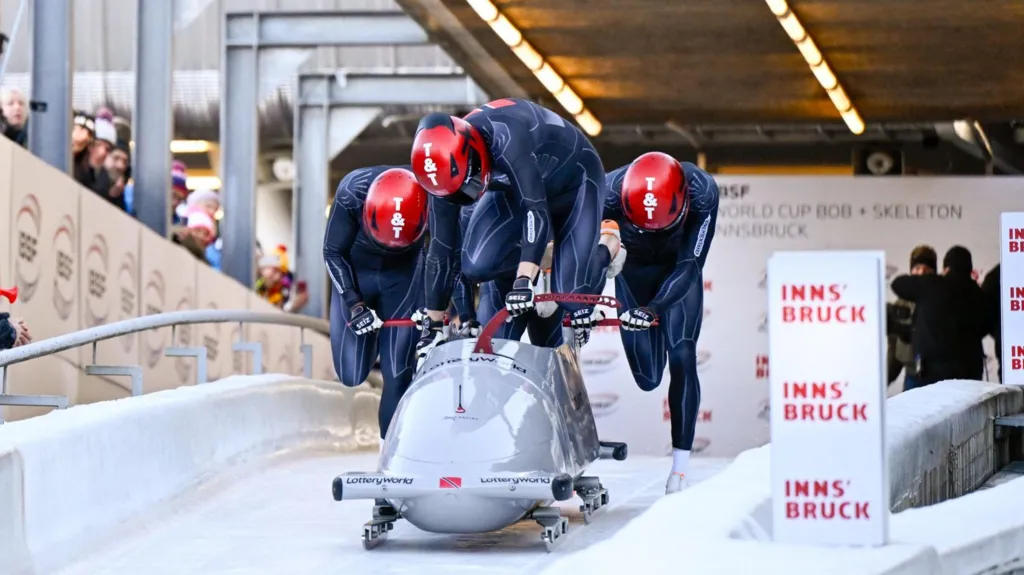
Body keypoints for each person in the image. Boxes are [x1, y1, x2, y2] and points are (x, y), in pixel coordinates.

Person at [409, 99, 624, 361]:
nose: (466, 195)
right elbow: (441, 250)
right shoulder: (439, 178)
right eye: (455, 194)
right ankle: (542, 261)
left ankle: (607, 243)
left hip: (574, 180)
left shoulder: (506, 136)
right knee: (475, 264)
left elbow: (536, 210)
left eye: (469, 184)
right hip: (514, 187)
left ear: (474, 151)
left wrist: (523, 281)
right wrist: (433, 325)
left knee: (573, 296)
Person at [601, 152, 719, 495]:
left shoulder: (702, 190)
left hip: (678, 269)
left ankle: (679, 470)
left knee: (682, 354)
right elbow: (592, 249)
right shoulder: (607, 191)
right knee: (648, 378)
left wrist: (653, 309)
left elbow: (690, 265)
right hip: (633, 271)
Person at [322, 166, 430, 444]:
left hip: (403, 276)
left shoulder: (434, 193)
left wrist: (437, 305)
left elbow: (448, 253)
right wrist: (354, 304)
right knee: (352, 373)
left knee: (398, 370)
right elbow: (332, 251)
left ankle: (390, 451)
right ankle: (366, 340)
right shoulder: (351, 191)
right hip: (357, 272)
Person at [891, 245, 988, 384]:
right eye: (917, 268)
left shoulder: (933, 286)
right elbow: (988, 324)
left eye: (927, 270)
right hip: (969, 373)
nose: (922, 273)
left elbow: (897, 283)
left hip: (930, 373)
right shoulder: (978, 294)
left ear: (944, 270)